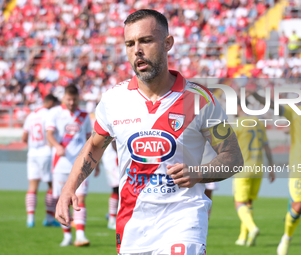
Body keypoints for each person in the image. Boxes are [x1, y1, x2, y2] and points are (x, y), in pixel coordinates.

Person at [55, 9, 243, 255]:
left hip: (183, 219)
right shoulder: (114, 100)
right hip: (133, 224)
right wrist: (69, 188)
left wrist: (199, 173)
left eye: (145, 40)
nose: (137, 50)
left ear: (168, 43)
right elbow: (94, 147)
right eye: (130, 43)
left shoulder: (200, 100)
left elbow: (233, 157)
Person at [251, 82, 301, 255]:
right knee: (297, 209)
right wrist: (259, 97)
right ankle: (287, 237)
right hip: (299, 171)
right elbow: (275, 106)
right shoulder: (295, 113)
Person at [46, 85, 98, 247]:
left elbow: (91, 140)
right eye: (68, 99)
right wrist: (57, 146)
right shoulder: (55, 113)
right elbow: (49, 134)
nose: (71, 102)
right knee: (62, 199)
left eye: (74, 99)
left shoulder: (84, 116)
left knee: (80, 198)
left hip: (80, 165)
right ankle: (67, 235)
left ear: (78, 98)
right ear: (64, 98)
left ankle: (80, 235)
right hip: (60, 164)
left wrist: (97, 163)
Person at [233, 99, 275, 247]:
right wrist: (272, 167)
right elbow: (267, 147)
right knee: (249, 202)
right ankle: (243, 238)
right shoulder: (258, 123)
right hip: (258, 167)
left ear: (238, 106)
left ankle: (252, 228)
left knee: (239, 202)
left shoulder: (237, 124)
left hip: (243, 168)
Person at [22, 94, 59, 228]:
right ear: (50, 103)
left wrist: (33, 145)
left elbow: (24, 137)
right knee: (51, 186)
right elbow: (51, 133)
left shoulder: (31, 115)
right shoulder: (49, 114)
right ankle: (49, 218)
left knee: (32, 186)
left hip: (32, 153)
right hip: (46, 152)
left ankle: (30, 219)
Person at [100, 140, 119, 230]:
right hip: (113, 160)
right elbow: (114, 142)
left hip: (114, 159)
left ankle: (114, 216)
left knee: (120, 189)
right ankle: (112, 219)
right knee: (117, 188)